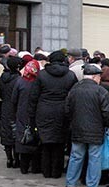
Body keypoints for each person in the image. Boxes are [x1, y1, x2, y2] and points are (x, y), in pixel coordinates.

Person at [64, 64, 109, 187]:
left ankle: (70, 184)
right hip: (96, 130)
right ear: (95, 77)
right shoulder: (101, 91)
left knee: (75, 156)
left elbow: (67, 110)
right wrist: (106, 125)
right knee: (94, 158)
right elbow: (107, 112)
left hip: (77, 129)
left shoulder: (74, 90)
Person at [28, 50, 78, 178]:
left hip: (44, 110)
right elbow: (74, 96)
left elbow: (33, 97)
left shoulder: (42, 75)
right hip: (62, 111)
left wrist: (32, 115)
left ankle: (46, 171)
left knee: (45, 142)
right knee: (60, 143)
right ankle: (56, 171)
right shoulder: (70, 75)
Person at [12, 60, 41, 174]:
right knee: (34, 137)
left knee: (22, 138)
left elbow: (14, 99)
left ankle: (23, 167)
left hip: (21, 113)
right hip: (35, 113)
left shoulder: (20, 81)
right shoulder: (38, 82)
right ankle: (35, 167)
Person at [0, 56, 23, 168]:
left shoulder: (2, 77)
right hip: (16, 107)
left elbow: (0, 92)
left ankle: (9, 158)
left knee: (6, 132)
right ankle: (16, 159)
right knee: (15, 132)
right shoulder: (18, 79)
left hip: (5, 106)